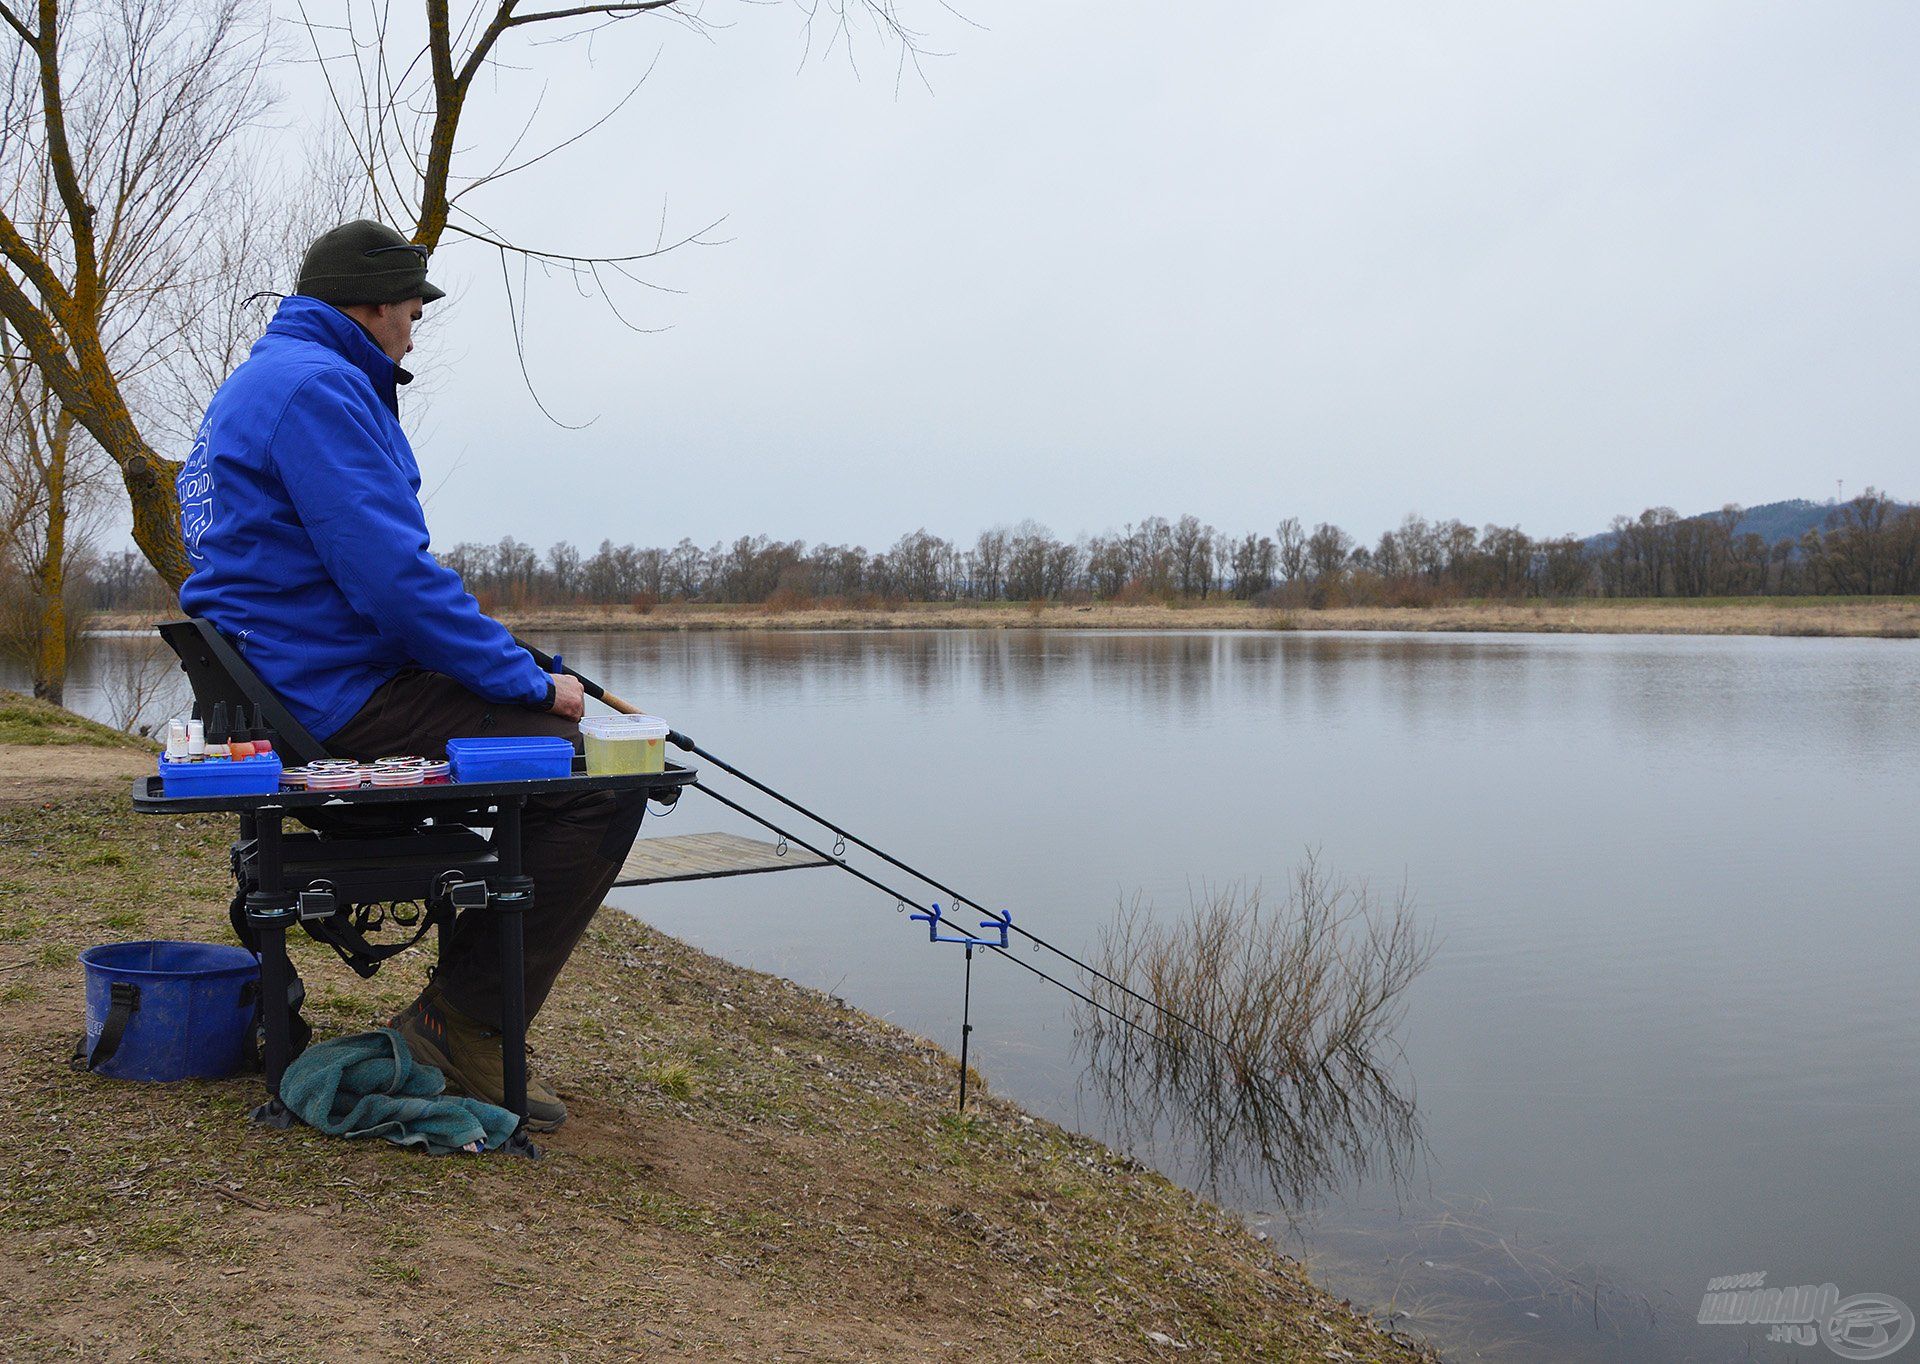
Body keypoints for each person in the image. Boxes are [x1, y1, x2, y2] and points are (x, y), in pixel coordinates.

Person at [176, 219, 646, 1130]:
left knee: (558, 752)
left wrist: (507, 662)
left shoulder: (264, 382)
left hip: (293, 681)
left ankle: (466, 1014)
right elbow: (395, 585)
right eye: (413, 308)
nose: (417, 326)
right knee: (591, 775)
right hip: (334, 695)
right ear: (374, 304)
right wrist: (528, 681)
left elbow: (364, 578)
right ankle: (460, 1025)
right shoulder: (319, 390)